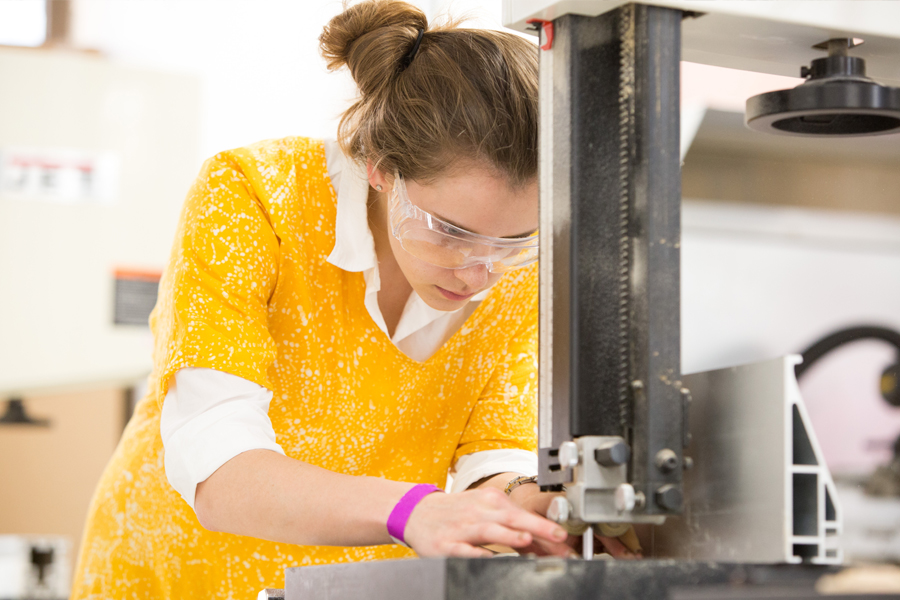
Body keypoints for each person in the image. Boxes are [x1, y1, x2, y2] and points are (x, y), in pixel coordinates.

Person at [71, 1, 637, 597]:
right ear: (377, 165)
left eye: (514, 241)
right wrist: (411, 509)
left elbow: (489, 462)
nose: (479, 274)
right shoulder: (256, 196)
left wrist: (533, 511)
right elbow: (220, 471)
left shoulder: (516, 265)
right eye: (450, 231)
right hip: (173, 574)